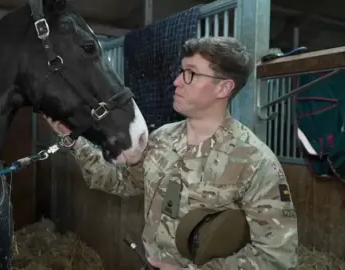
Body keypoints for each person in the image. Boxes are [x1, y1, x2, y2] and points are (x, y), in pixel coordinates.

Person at [43, 36, 299, 270]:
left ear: (223, 88)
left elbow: (276, 257)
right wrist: (74, 139)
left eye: (191, 73)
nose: (177, 81)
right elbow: (118, 182)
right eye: (181, 71)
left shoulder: (254, 161)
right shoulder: (161, 138)